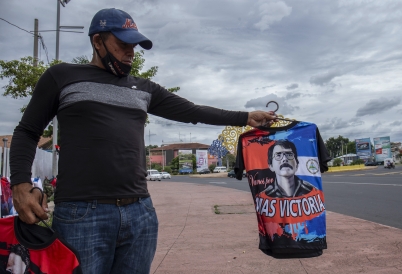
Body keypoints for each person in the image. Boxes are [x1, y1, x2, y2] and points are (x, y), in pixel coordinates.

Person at [10, 8, 278, 273]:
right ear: (97, 41)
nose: (130, 52)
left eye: (134, 46)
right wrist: (20, 186)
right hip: (82, 214)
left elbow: (193, 111)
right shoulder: (62, 76)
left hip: (139, 213)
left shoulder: (144, 88)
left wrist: (245, 117)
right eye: (123, 44)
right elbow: (27, 131)